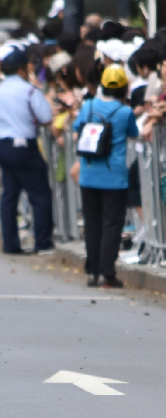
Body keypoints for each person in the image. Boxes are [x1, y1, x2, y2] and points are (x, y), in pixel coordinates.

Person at [73, 66, 138, 288]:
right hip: (114, 176)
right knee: (112, 224)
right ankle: (108, 272)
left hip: (88, 173)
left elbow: (76, 129)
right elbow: (134, 133)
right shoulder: (124, 112)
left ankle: (92, 271)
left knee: (92, 223)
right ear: (124, 88)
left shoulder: (88, 105)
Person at [0, 46, 55, 254]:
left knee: (9, 196)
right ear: (21, 68)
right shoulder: (29, 89)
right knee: (40, 195)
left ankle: (10, 244)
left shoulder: (0, 89)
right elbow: (46, 117)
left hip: (3, 144)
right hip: (23, 145)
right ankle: (43, 242)